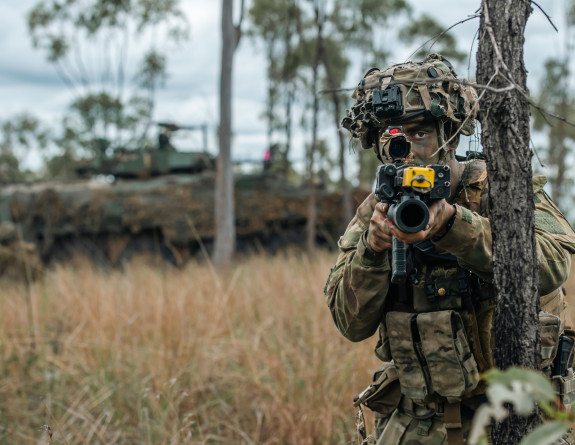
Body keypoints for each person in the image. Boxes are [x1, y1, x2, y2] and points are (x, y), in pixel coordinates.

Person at [324, 53, 575, 444]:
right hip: (421, 421)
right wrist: (372, 251)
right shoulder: (373, 213)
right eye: (393, 140)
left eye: (419, 133)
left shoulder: (499, 187)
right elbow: (350, 323)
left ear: (450, 133)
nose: (408, 152)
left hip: (518, 416)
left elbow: (552, 264)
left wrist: (454, 226)